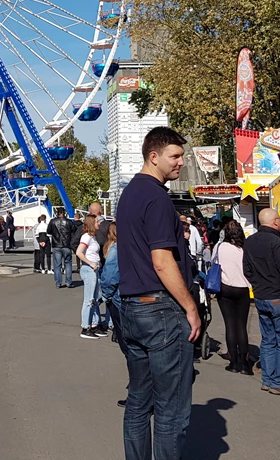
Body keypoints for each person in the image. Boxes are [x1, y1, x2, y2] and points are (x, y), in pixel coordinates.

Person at [118, 126, 199, 460]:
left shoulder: (129, 196)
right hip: (160, 310)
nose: (181, 162)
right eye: (175, 156)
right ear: (154, 156)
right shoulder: (157, 197)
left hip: (131, 307)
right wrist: (190, 308)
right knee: (171, 409)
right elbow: (162, 262)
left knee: (139, 400)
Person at [242, 207, 280, 399]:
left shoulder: (250, 241)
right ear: (275, 222)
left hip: (261, 296)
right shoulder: (277, 242)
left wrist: (258, 286)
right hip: (279, 295)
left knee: (268, 339)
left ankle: (268, 379)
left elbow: (247, 270)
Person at [214, 220, 252, 375]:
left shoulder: (220, 247)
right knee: (241, 325)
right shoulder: (245, 248)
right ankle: (245, 363)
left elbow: (214, 263)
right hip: (242, 288)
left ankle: (234, 362)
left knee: (230, 324)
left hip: (225, 287)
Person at [100, 222, 129, 406]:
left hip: (119, 299)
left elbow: (110, 277)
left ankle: (137, 388)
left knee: (129, 347)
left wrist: (107, 296)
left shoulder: (115, 249)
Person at [76, 214, 107, 339]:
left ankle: (94, 324)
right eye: (96, 222)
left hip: (94, 269)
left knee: (94, 299)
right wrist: (90, 263)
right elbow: (79, 252)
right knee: (89, 300)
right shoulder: (86, 236)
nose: (99, 224)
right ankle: (85, 327)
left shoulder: (92, 237)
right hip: (89, 270)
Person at [48, 208, 75, 287]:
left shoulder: (53, 221)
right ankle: (68, 282)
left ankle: (58, 283)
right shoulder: (69, 222)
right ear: (64, 213)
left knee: (57, 265)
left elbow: (48, 231)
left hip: (56, 244)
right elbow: (74, 231)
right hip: (66, 244)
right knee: (68, 263)